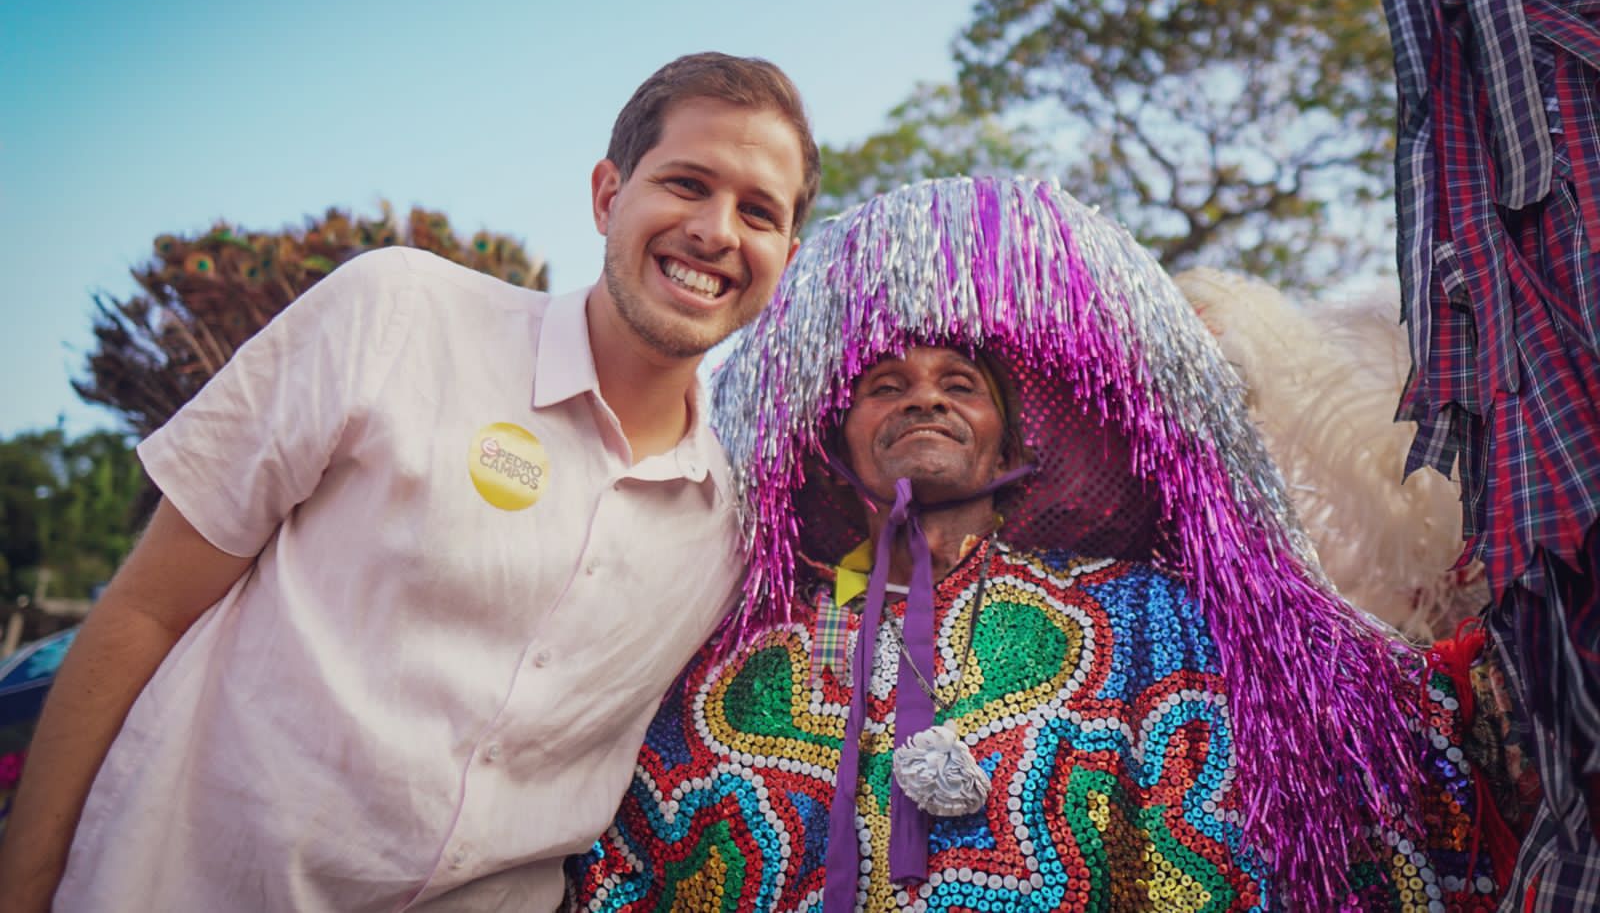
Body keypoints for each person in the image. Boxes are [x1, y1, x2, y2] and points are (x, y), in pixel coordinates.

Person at [0, 52, 820, 912]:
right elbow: (144, 611)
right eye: (688, 183)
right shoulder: (398, 318)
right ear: (608, 194)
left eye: (757, 212)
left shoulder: (736, 532)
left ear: (785, 255)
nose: (717, 230)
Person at [567, 176, 1519, 911]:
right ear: (832, 439)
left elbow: (1308, 784)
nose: (924, 396)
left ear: (1015, 445)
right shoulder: (726, 658)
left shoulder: (1146, 619)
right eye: (885, 384)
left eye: (960, 382)